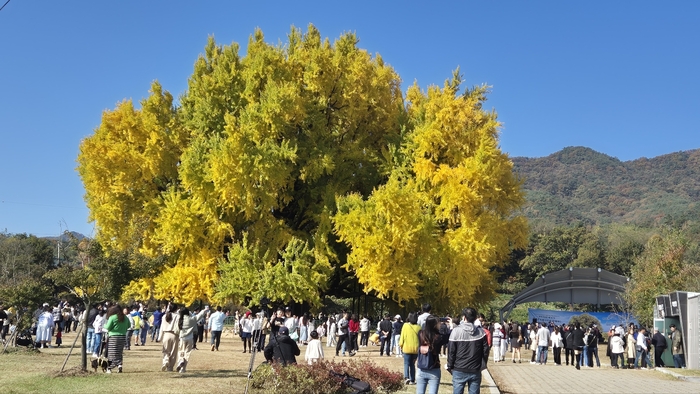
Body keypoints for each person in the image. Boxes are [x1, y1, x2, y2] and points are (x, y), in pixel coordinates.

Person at [447, 308, 488, 394]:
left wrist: (450, 366)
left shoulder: (456, 331)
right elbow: (485, 350)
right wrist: (483, 363)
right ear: (475, 318)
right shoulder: (481, 332)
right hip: (475, 369)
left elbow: (451, 351)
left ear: (464, 317)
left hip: (459, 368)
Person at [415, 316, 448, 394]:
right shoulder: (438, 337)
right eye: (439, 323)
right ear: (434, 325)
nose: (440, 324)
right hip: (434, 368)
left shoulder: (420, 333)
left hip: (421, 368)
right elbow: (446, 338)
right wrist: (448, 327)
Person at [175, 307, 207, 373]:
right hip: (190, 338)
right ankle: (183, 369)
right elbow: (199, 316)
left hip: (182, 338)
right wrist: (204, 310)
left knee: (181, 351)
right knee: (187, 353)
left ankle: (181, 360)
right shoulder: (191, 319)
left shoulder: (180, 320)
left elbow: (177, 330)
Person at [104, 304, 129, 373]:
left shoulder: (112, 317)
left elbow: (108, 327)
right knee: (119, 352)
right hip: (123, 336)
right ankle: (119, 365)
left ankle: (109, 368)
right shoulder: (125, 317)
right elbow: (129, 325)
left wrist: (104, 325)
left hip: (113, 337)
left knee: (112, 352)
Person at [399, 312, 421, 385]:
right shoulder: (419, 327)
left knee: (406, 363)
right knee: (412, 364)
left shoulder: (405, 325)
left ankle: (406, 377)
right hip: (416, 349)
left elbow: (402, 336)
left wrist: (400, 345)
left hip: (407, 348)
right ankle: (412, 380)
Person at [159, 304, 180, 372]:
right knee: (173, 352)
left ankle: (165, 361)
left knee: (166, 350)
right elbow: (178, 326)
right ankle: (170, 367)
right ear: (176, 309)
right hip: (174, 334)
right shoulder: (177, 316)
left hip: (166, 334)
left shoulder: (164, 316)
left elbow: (161, 327)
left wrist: (160, 337)